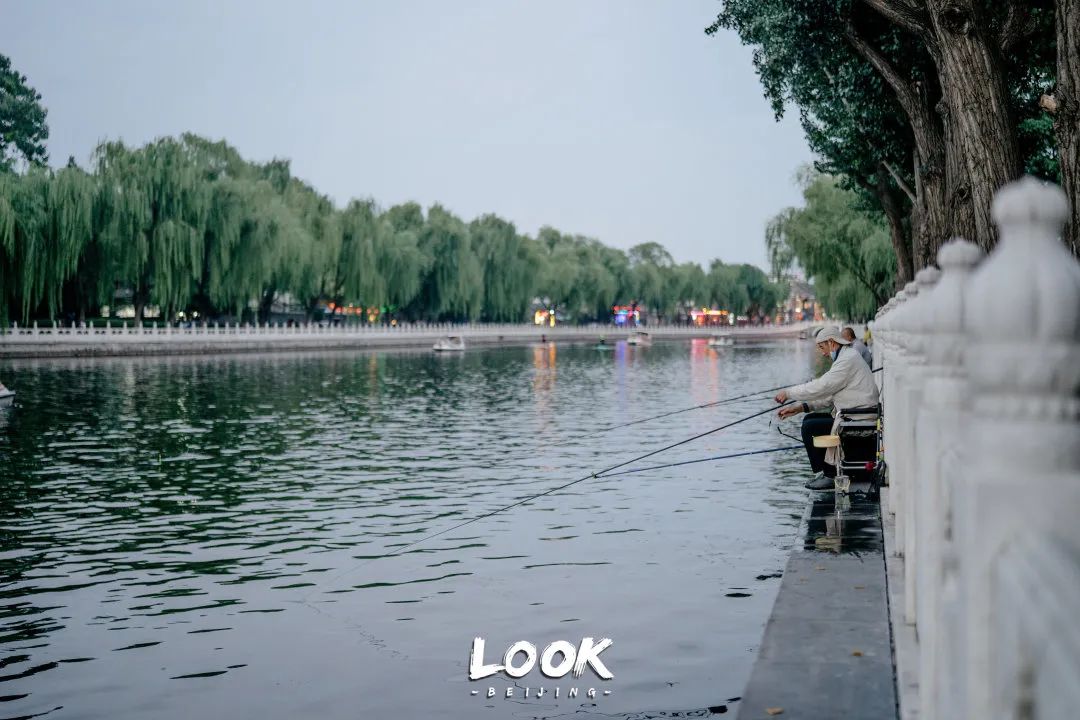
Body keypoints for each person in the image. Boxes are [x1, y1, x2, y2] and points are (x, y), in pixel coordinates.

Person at [775, 326, 880, 489]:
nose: (823, 353)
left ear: (832, 343)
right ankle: (825, 472)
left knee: (810, 427)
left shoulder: (847, 360)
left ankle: (830, 474)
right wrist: (801, 408)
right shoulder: (846, 358)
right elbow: (830, 396)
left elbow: (821, 387)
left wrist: (788, 393)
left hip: (857, 420)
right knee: (810, 419)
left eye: (822, 347)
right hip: (852, 416)